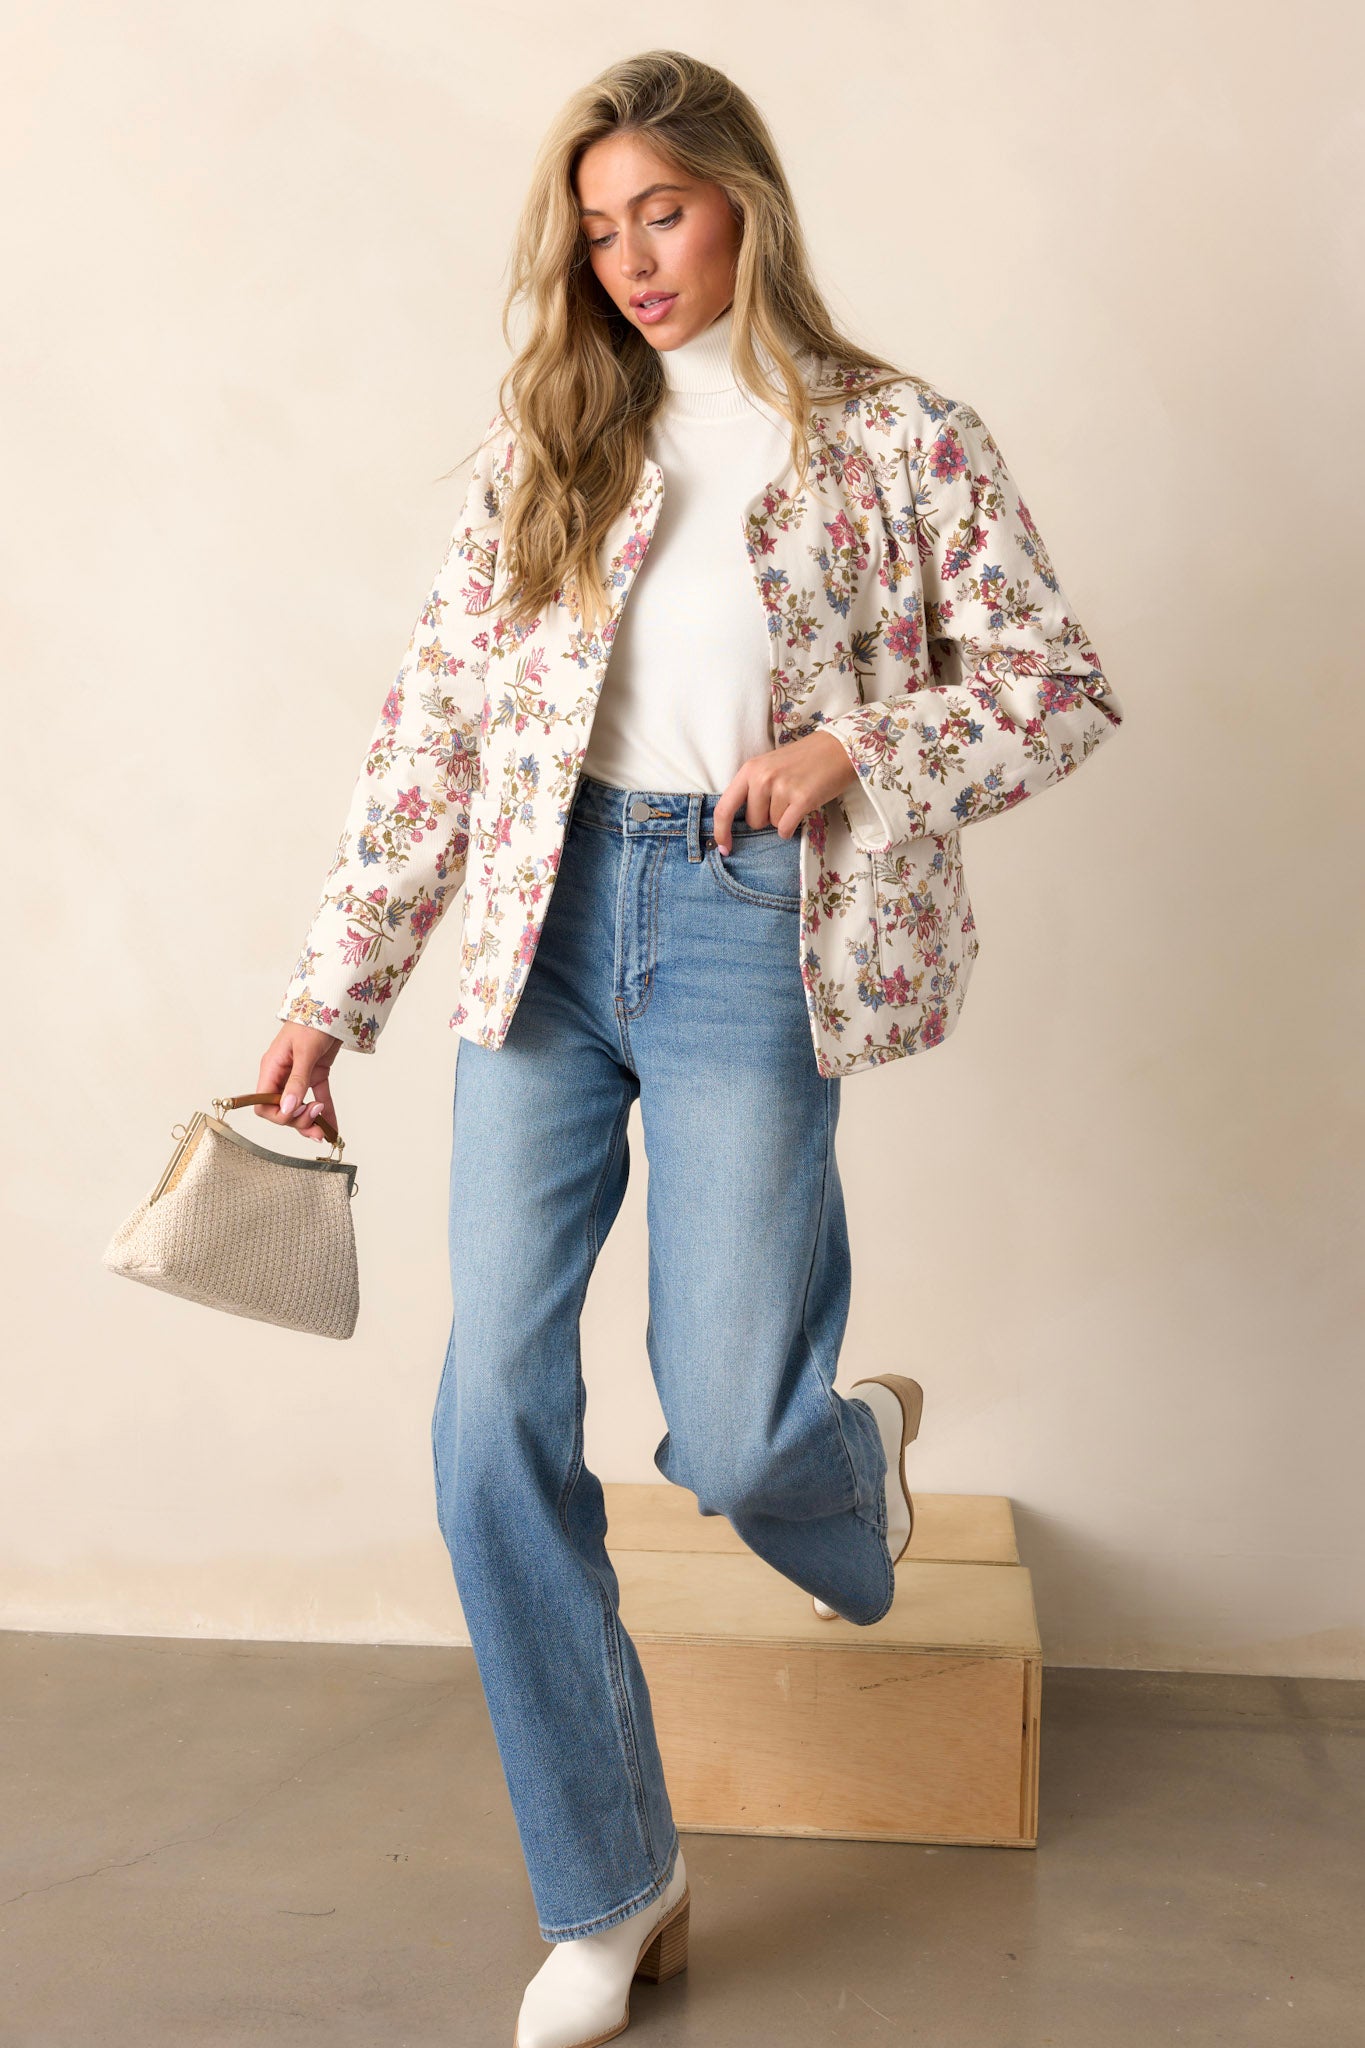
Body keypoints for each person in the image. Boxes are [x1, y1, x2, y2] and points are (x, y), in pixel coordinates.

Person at [256, 48, 1122, 2048]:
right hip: (539, 941)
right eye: (595, 220)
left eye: (660, 207)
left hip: (749, 928)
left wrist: (854, 747)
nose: (628, 256)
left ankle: (843, 1454)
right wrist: (328, 992)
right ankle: (609, 1881)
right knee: (487, 1422)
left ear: (745, 198)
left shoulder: (900, 439)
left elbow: (1051, 690)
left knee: (727, 1428)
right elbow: (436, 739)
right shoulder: (553, 441)